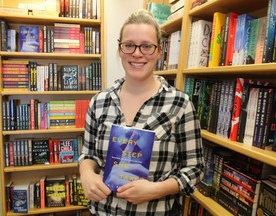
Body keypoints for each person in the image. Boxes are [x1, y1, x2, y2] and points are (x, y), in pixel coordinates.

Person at [78, 9, 205, 216]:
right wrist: (86, 174)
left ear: (158, 51)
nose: (137, 53)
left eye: (147, 46)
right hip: (103, 210)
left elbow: (195, 168)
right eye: (129, 45)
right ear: (120, 49)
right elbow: (88, 154)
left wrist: (156, 190)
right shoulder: (99, 102)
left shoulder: (180, 104)